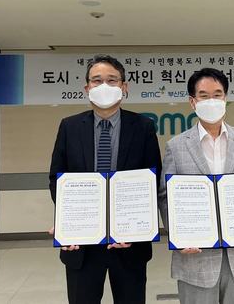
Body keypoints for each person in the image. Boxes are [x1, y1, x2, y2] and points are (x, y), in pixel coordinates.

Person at [49, 54, 162, 304]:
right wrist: (67, 222)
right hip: (82, 245)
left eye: (112, 80)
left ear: (124, 87)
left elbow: (151, 182)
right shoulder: (69, 127)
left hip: (129, 243)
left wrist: (136, 226)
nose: (104, 86)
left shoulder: (143, 126)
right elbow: (57, 180)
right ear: (87, 88)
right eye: (97, 81)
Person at [158, 67, 234, 304]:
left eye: (217, 95)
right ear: (192, 102)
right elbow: (165, 196)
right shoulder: (176, 146)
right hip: (195, 257)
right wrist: (178, 235)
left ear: (225, 99)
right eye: (204, 96)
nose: (212, 101)